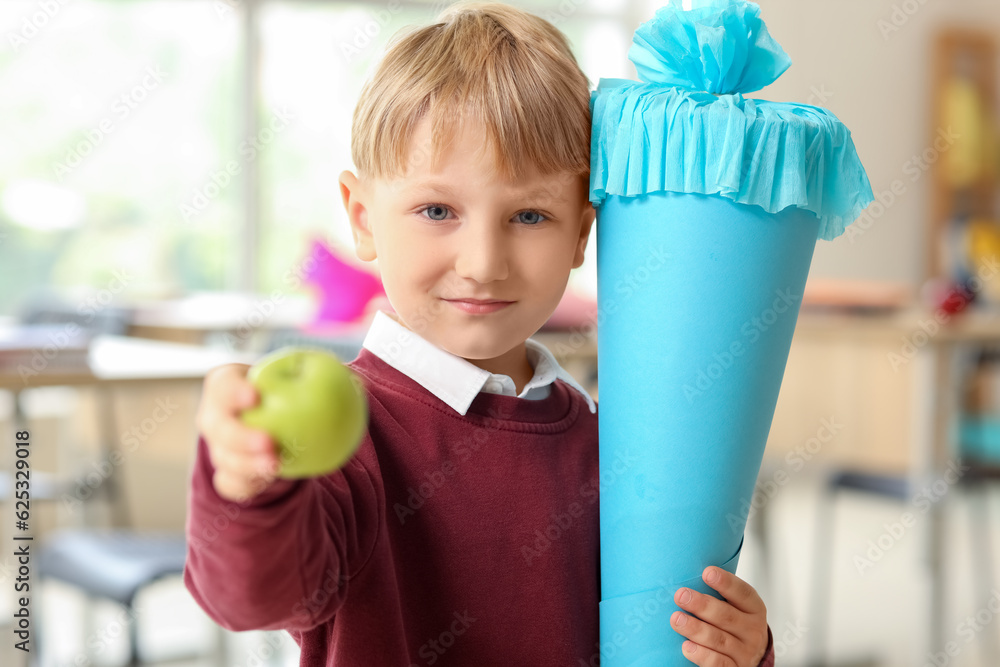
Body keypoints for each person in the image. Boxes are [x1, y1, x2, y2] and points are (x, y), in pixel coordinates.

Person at [183, 2, 776, 665]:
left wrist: (740, 649)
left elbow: (656, 639)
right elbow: (253, 596)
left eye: (529, 214)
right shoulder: (353, 440)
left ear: (582, 234)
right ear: (363, 217)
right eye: (437, 209)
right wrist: (246, 484)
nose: (484, 262)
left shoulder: (609, 444)